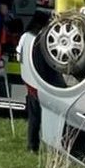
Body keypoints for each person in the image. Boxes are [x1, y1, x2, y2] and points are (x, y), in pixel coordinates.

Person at [17, 8, 52, 152]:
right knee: (43, 115)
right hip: (43, 81)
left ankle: (32, 145)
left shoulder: (26, 36)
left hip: (29, 79)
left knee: (34, 115)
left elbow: (19, 54)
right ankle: (40, 145)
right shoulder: (45, 37)